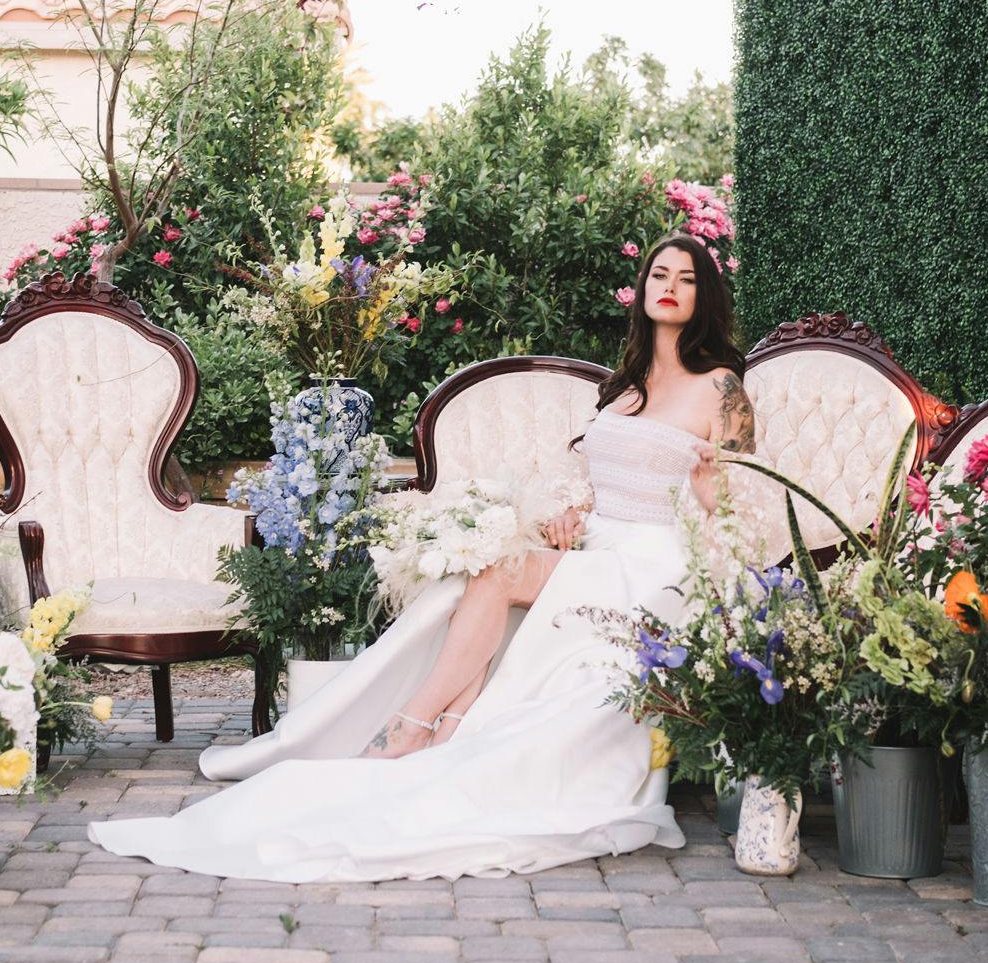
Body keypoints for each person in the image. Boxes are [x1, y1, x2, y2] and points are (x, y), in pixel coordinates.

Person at [88, 234, 759, 882]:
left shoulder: (722, 388)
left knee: (497, 573)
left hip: (657, 562)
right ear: (642, 289)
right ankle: (442, 726)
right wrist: (571, 513)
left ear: (703, 296)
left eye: (686, 280)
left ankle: (412, 727)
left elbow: (740, 507)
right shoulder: (626, 385)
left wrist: (709, 494)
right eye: (660, 275)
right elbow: (603, 481)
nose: (670, 288)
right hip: (597, 544)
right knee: (482, 575)